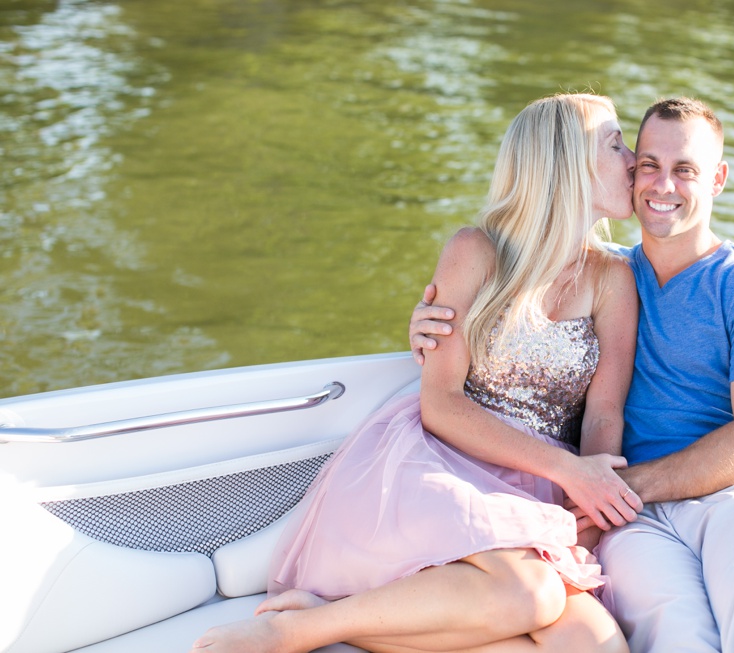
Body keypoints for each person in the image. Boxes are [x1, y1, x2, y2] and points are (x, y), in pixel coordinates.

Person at [191, 92, 645, 653]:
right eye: (615, 143)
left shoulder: (613, 279)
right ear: (563, 162)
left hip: (542, 489)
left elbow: (604, 414)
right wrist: (569, 471)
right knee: (533, 599)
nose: (634, 159)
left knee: (596, 645)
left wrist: (592, 507)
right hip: (447, 461)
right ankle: (297, 631)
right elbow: (443, 404)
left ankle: (347, 616)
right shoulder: (475, 252)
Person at [410, 97, 734, 652]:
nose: (661, 184)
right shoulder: (606, 272)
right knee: (677, 635)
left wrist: (616, 489)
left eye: (685, 170)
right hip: (631, 516)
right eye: (648, 164)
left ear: (718, 179)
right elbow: (521, 288)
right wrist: (428, 325)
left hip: (729, 493)